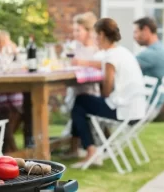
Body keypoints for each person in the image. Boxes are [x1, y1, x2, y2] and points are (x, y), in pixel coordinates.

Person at [70, 18, 147, 168]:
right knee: (84, 103)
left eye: (96, 35)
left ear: (102, 35)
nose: (94, 39)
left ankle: (91, 151)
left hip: (124, 111)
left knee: (80, 102)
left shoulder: (111, 58)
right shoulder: (123, 51)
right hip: (136, 110)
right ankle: (87, 149)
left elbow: (106, 91)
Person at [61, 12, 103, 159]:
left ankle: (84, 148)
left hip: (91, 90)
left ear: (88, 31)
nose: (75, 33)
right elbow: (65, 60)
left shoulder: (97, 49)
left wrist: (82, 63)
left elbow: (103, 65)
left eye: (78, 30)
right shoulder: (74, 46)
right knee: (76, 107)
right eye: (74, 30)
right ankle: (75, 149)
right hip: (75, 88)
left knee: (78, 109)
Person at [133, 17, 164, 106]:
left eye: (136, 32)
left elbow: (124, 67)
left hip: (143, 105)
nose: (134, 36)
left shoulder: (152, 53)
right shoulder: (162, 50)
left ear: (146, 30)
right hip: (153, 104)